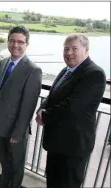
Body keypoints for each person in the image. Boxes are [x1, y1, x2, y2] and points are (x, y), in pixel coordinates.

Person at [36, 33, 106, 188]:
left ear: (86, 50)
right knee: (53, 182)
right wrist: (41, 108)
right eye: (66, 49)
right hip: (57, 144)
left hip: (72, 148)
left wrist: (45, 116)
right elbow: (53, 95)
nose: (68, 53)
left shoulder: (94, 73)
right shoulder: (66, 70)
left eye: (74, 48)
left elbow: (72, 108)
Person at [0, 26, 42, 188]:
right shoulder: (2, 63)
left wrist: (18, 133)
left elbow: (29, 106)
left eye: (20, 42)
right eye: (12, 41)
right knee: (4, 162)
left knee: (16, 166)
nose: (15, 45)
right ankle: (3, 184)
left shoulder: (33, 70)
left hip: (15, 130)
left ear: (27, 44)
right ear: (8, 42)